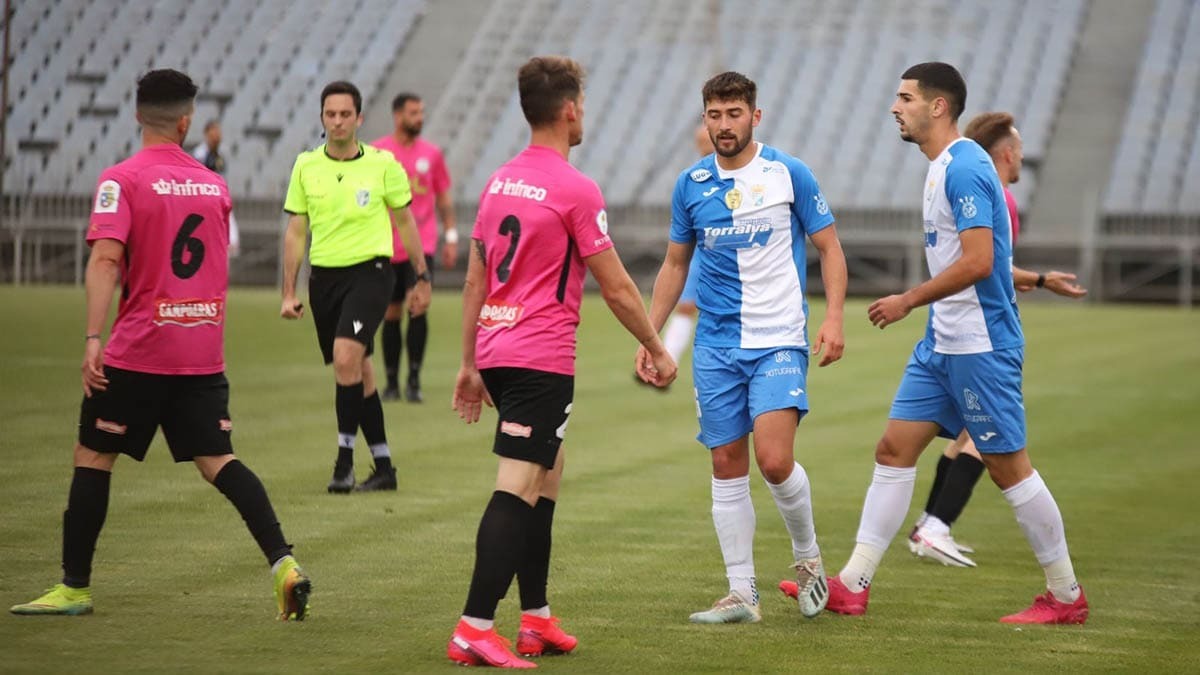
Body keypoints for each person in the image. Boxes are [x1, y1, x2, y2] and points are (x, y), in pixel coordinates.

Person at [792, 62, 1088, 625]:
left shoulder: (965, 168)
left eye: (904, 97)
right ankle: (853, 585)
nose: (894, 107)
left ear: (937, 107)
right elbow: (992, 259)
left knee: (1010, 469)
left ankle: (1067, 596)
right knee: (893, 449)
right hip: (941, 345)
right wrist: (1041, 278)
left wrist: (908, 299)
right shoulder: (940, 167)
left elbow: (978, 263)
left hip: (980, 346)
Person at [10, 69, 310, 620]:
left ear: (136, 114)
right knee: (219, 459)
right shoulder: (215, 186)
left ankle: (74, 587)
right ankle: (283, 562)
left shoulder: (121, 179)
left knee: (94, 455)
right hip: (199, 351)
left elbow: (105, 258)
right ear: (186, 120)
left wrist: (93, 337)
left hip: (139, 350)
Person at [446, 55, 676, 668]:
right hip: (538, 356)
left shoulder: (499, 181)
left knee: (548, 471)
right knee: (517, 483)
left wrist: (469, 364)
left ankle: (536, 619)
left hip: (497, 350)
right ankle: (473, 626)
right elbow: (620, 287)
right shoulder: (575, 188)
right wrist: (657, 347)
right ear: (570, 109)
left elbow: (474, 279)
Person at [642, 71, 848, 624]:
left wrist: (832, 317)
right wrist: (652, 335)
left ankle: (808, 561)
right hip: (715, 345)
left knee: (775, 461)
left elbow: (829, 248)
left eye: (734, 114)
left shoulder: (788, 173)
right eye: (715, 115)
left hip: (779, 337)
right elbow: (675, 264)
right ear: (704, 118)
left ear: (755, 117)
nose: (724, 125)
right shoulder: (690, 184)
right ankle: (742, 594)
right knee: (726, 462)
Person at [906, 111, 1088, 568]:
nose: (1022, 157)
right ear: (1006, 154)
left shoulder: (968, 181)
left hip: (967, 330)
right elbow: (984, 262)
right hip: (982, 334)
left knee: (964, 434)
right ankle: (936, 526)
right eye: (1020, 151)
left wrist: (1040, 279)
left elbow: (990, 263)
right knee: (987, 442)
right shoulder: (997, 196)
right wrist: (1040, 279)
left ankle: (930, 523)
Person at [280, 81, 431, 493]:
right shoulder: (306, 166)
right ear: (322, 118)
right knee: (358, 370)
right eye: (331, 114)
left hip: (372, 273)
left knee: (346, 357)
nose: (338, 121)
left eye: (346, 114)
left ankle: (343, 463)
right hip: (325, 278)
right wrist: (288, 291)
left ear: (359, 118)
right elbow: (296, 232)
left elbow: (404, 222)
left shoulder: (383, 165)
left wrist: (421, 275)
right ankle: (384, 467)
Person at [370, 93, 456, 402]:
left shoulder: (432, 155)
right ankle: (392, 383)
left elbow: (443, 197)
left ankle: (414, 381)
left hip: (423, 245)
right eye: (413, 112)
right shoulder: (378, 152)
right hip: (386, 245)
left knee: (418, 306)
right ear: (397, 116)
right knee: (391, 314)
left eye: (421, 112)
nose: (420, 117)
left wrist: (451, 236)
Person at [652, 125, 715, 372]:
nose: (705, 147)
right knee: (686, 305)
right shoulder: (693, 180)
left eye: (706, 142)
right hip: (698, 250)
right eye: (701, 143)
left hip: (721, 248)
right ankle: (668, 358)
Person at [191, 120, 241, 257]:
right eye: (214, 133)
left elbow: (223, 177)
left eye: (218, 133)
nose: (217, 136)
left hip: (219, 199)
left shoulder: (221, 155)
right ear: (207, 134)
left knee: (229, 237)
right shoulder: (199, 155)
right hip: (204, 200)